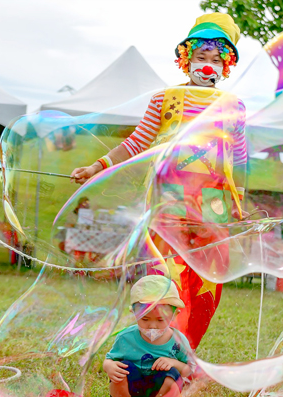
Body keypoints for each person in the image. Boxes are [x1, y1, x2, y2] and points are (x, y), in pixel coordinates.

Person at [71, 13, 246, 349]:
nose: (207, 66)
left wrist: (239, 203)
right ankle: (157, 347)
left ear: (226, 66)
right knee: (165, 278)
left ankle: (185, 352)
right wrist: (96, 167)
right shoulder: (164, 100)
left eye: (216, 60)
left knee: (206, 282)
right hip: (168, 201)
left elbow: (238, 159)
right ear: (186, 60)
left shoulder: (233, 106)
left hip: (212, 206)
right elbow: (136, 142)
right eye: (200, 57)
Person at [103, 275, 193, 397]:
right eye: (145, 319)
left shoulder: (178, 341)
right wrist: (109, 366)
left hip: (158, 395)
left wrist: (173, 363)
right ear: (134, 313)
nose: (152, 326)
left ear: (174, 315)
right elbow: (109, 359)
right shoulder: (125, 338)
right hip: (129, 393)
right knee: (123, 368)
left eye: (160, 320)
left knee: (172, 374)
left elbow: (190, 370)